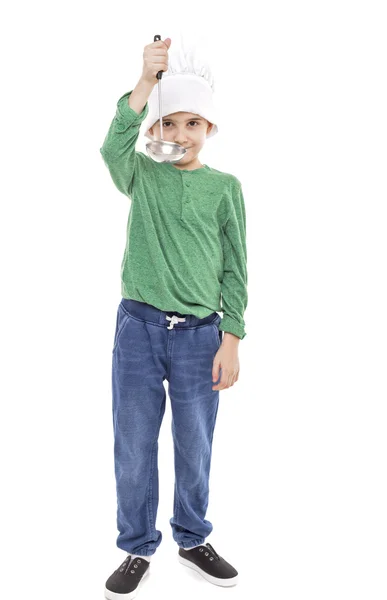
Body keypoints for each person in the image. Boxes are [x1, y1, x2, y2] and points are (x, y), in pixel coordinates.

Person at [100, 36, 248, 599]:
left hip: (200, 337)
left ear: (210, 129)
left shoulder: (224, 189)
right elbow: (113, 144)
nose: (179, 134)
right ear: (153, 130)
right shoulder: (142, 175)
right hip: (137, 330)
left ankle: (192, 538)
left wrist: (230, 337)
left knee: (196, 443)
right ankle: (136, 545)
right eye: (168, 124)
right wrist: (145, 81)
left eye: (192, 123)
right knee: (134, 443)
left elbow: (236, 268)